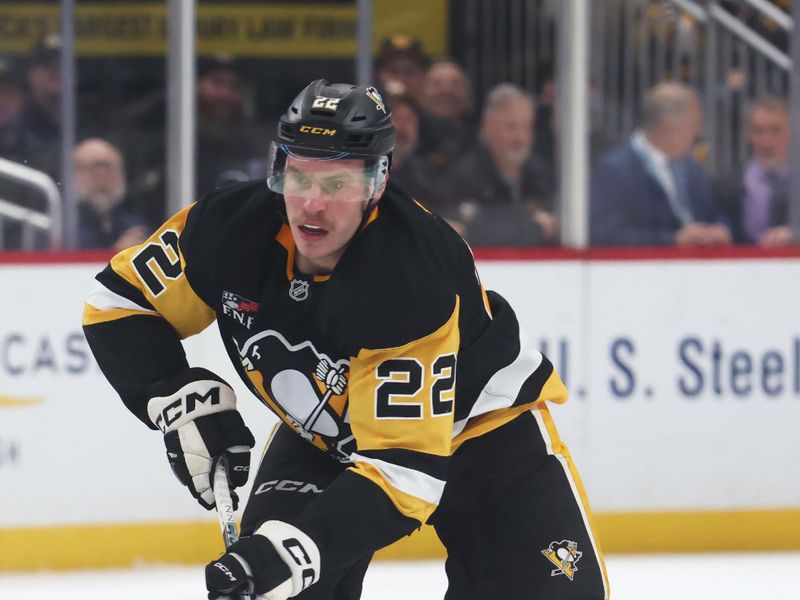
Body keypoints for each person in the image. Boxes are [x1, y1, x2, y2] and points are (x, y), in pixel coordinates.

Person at [82, 80, 609, 600]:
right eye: (299, 177)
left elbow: (404, 471)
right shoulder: (227, 228)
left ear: (377, 182)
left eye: (337, 184)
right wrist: (174, 393)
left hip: (480, 432)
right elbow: (118, 303)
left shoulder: (410, 274)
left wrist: (300, 550)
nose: (311, 205)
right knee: (271, 588)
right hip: (325, 434)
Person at [590, 82, 732, 246]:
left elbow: (714, 214)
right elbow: (605, 234)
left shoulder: (692, 169)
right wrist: (672, 240)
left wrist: (721, 229)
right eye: (693, 125)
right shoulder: (615, 170)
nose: (698, 133)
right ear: (668, 127)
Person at [443, 83, 559, 246]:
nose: (520, 137)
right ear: (488, 127)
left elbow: (559, 222)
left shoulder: (541, 174)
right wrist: (533, 227)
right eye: (511, 127)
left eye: (527, 127)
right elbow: (466, 230)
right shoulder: (463, 175)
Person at [717, 97, 793, 246]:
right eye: (758, 131)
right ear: (748, 134)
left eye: (775, 130)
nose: (766, 140)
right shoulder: (726, 184)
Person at [196, 53, 266, 196]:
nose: (225, 94)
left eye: (235, 86)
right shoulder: (173, 148)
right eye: (217, 82)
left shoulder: (254, 150)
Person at [74, 138, 149, 250]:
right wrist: (115, 253)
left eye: (108, 168)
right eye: (93, 168)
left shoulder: (133, 227)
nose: (102, 176)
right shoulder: (61, 228)